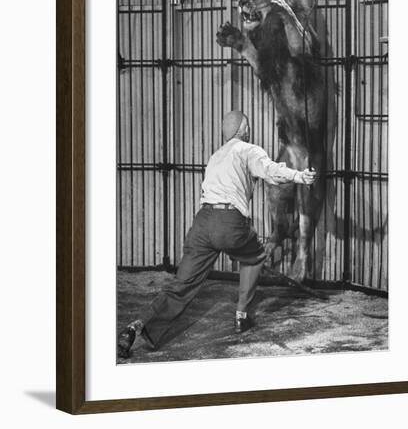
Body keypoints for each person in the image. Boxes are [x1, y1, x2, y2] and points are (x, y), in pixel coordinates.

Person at [117, 110, 316, 358]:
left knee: (182, 284)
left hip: (202, 224)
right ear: (244, 128)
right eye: (248, 126)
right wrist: (299, 176)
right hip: (229, 222)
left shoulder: (215, 156)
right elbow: (269, 170)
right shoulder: (248, 150)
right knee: (253, 256)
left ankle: (136, 327)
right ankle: (242, 315)